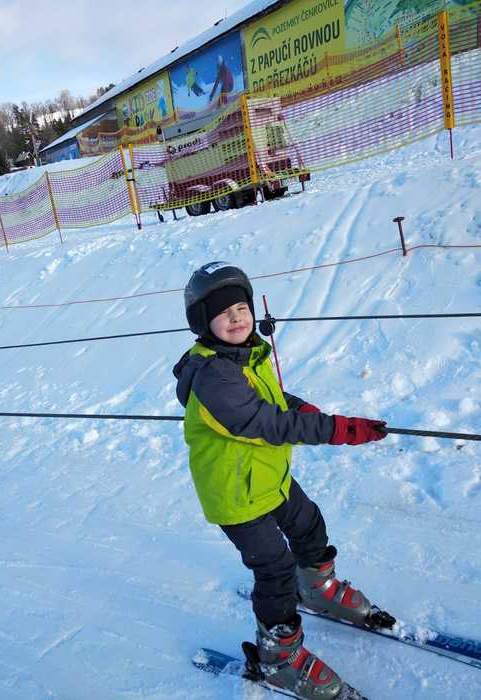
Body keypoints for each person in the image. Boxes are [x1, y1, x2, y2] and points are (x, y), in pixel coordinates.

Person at [173, 261, 390, 700]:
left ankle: (317, 587)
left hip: (267, 476)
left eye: (241, 308)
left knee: (309, 524)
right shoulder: (213, 376)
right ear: (202, 322)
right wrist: (336, 429)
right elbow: (265, 422)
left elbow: (272, 399)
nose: (237, 318)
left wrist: (301, 407)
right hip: (236, 495)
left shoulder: (245, 354)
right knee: (274, 569)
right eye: (223, 312)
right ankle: (278, 658)